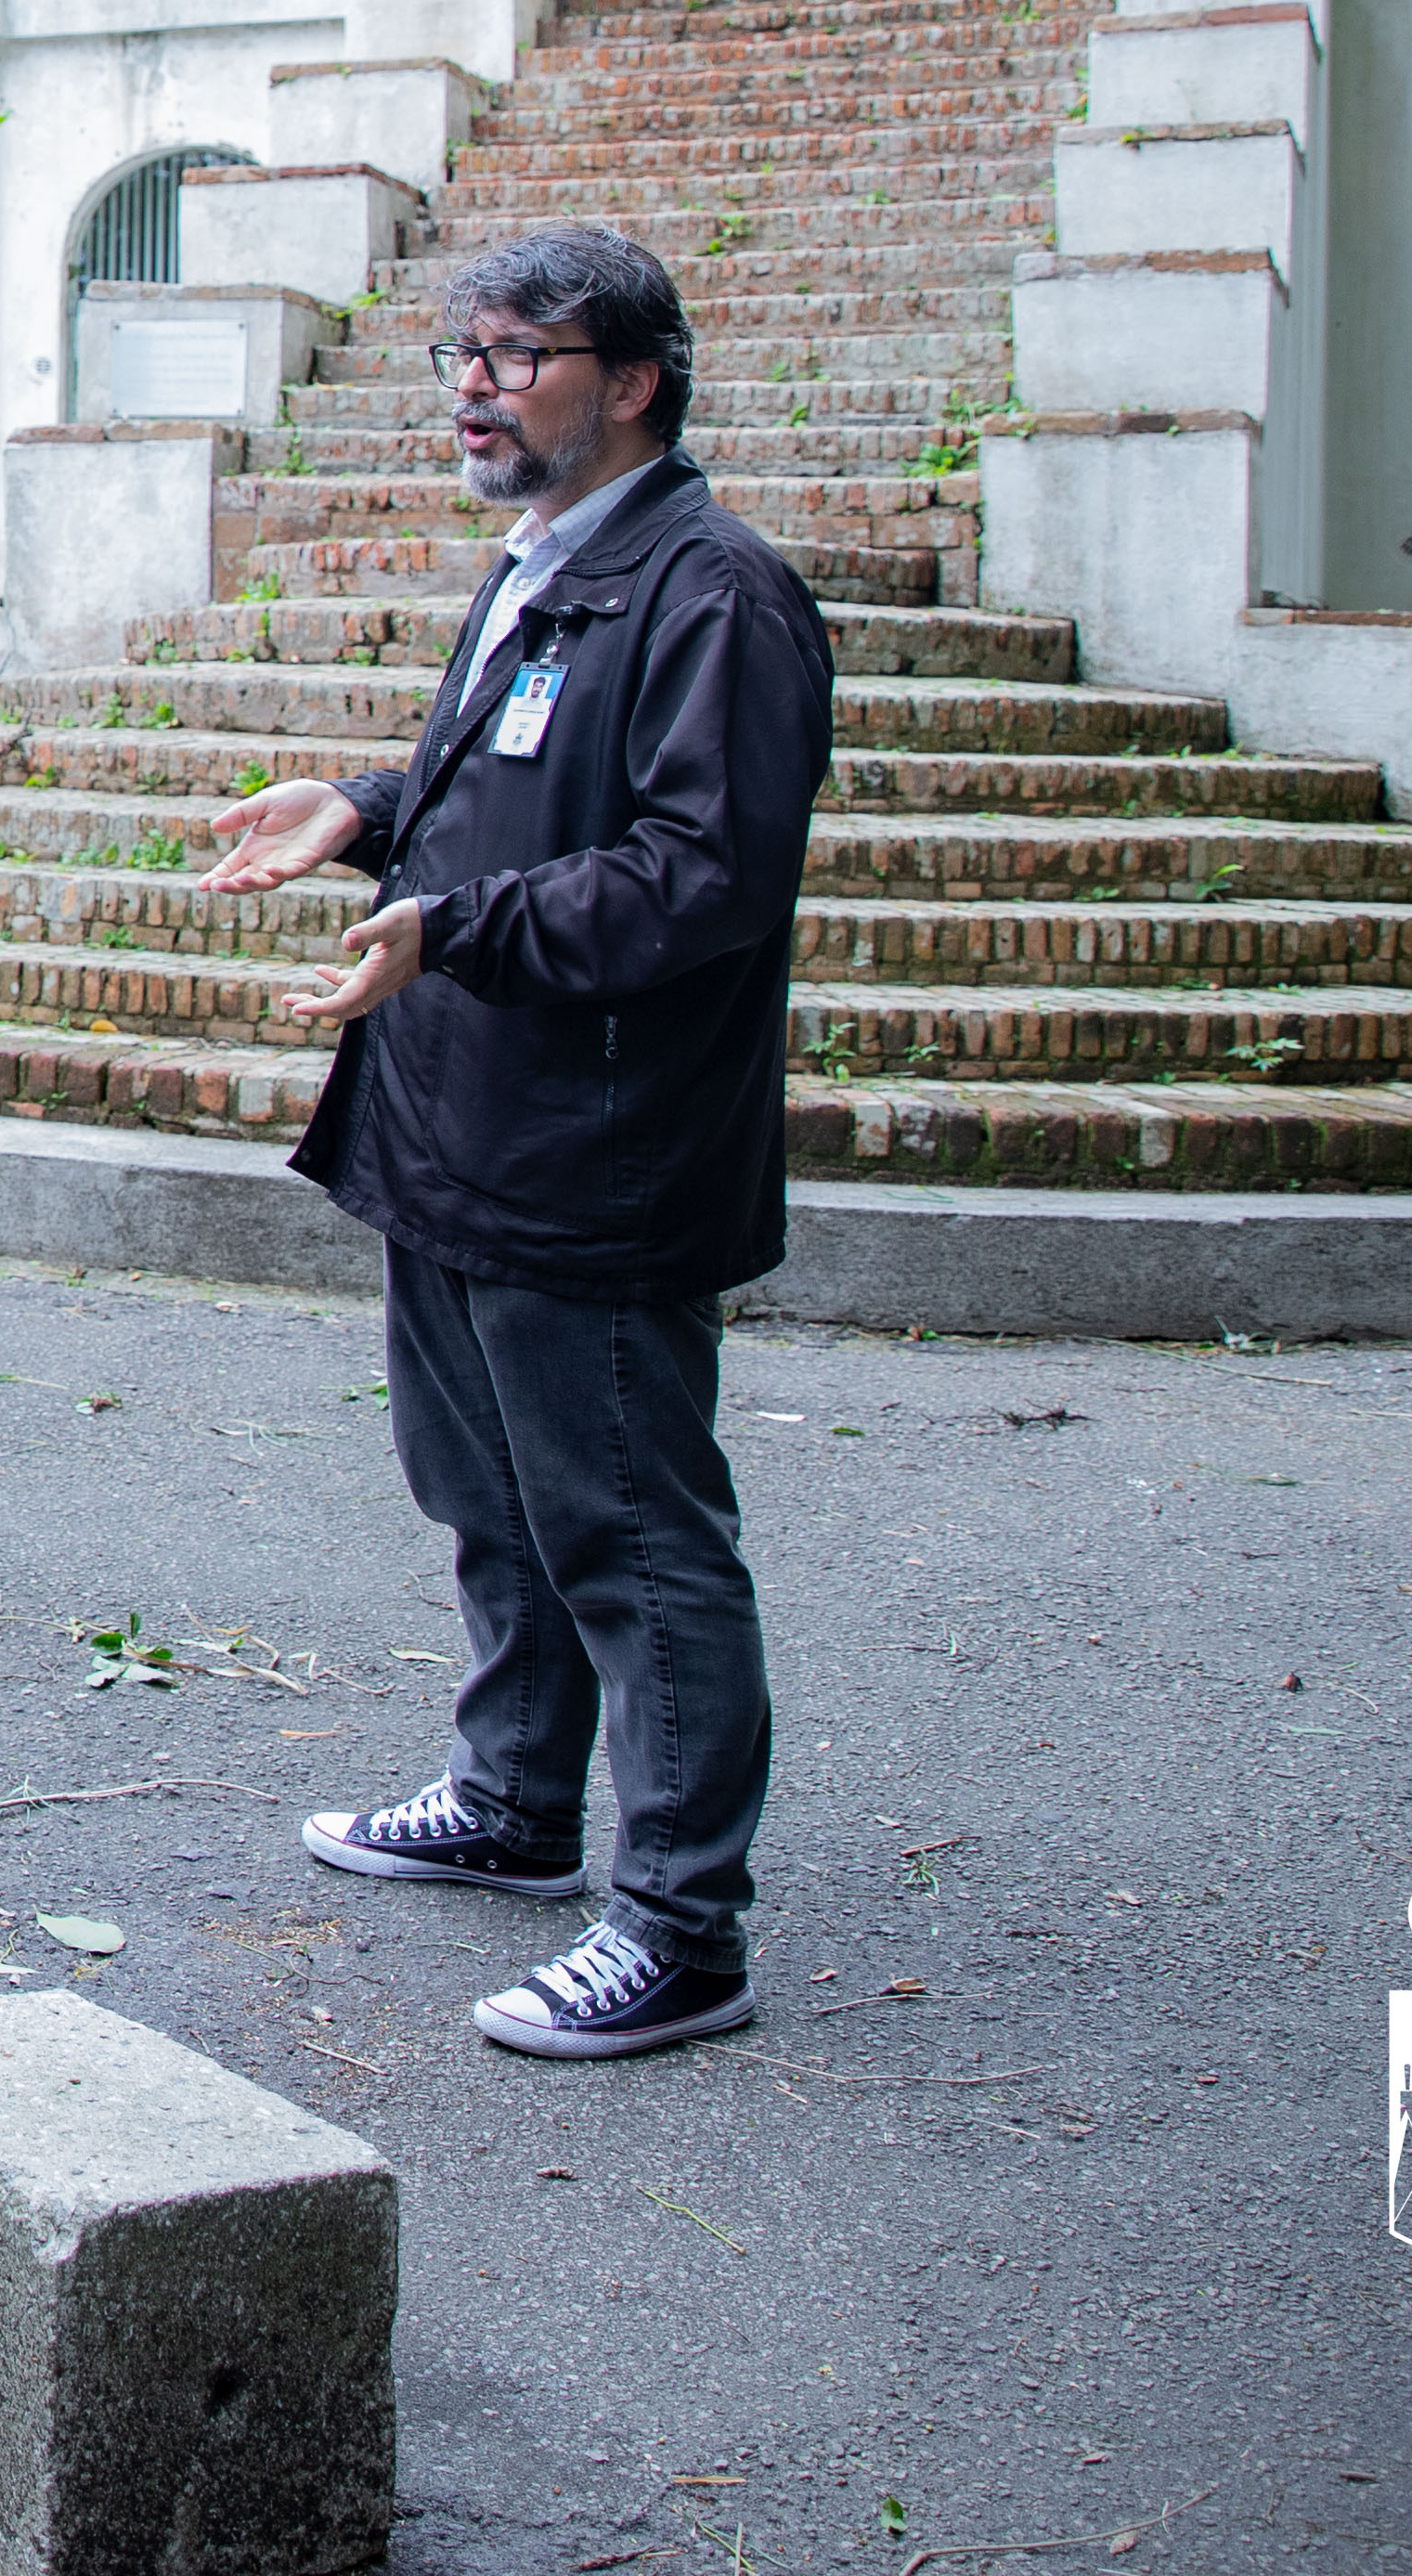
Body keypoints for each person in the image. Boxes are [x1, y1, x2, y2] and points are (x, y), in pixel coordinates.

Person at [202, 223, 823, 2065]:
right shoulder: (546, 568)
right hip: (456, 1128)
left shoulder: (715, 595)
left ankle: (684, 1927)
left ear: (630, 384)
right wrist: (369, 805)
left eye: (517, 354)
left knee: (634, 1535)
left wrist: (453, 925)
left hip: (599, 1155)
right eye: (462, 354)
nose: (471, 386)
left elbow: (703, 880)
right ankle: (514, 1795)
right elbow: (510, 795)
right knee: (491, 1498)